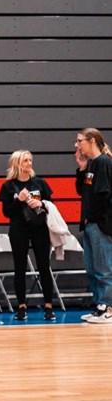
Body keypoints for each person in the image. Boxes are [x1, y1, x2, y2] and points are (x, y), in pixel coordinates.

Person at [0, 150, 56, 321]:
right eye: (25, 161)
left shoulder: (39, 183)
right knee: (20, 267)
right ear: (17, 163)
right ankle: (21, 307)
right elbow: (6, 213)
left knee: (44, 266)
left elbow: (51, 205)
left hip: (39, 228)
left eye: (30, 160)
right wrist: (19, 200)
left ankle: (49, 306)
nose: (29, 163)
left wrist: (41, 203)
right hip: (18, 229)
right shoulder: (8, 186)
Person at [75, 128, 112, 324]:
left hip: (100, 224)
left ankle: (108, 307)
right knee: (92, 268)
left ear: (91, 141)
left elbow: (103, 194)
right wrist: (82, 168)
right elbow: (82, 191)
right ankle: (100, 306)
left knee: (104, 268)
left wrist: (92, 217)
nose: (77, 145)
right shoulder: (91, 164)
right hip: (90, 223)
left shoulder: (104, 162)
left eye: (80, 140)